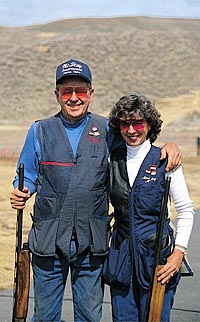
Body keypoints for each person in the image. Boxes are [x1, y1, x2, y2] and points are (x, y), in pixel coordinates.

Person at [10, 59, 182, 322]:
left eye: (81, 91)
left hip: (92, 244)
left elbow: (138, 143)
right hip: (47, 241)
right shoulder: (39, 130)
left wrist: (169, 145)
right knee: (44, 316)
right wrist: (20, 190)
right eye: (67, 91)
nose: (74, 98)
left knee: (90, 316)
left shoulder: (108, 130)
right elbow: (27, 176)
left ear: (91, 94)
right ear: (57, 95)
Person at [107, 93, 195, 322]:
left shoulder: (166, 160)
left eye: (138, 123)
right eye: (125, 124)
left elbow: (185, 210)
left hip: (157, 260)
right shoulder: (111, 160)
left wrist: (178, 254)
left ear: (149, 125)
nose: (132, 130)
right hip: (122, 259)